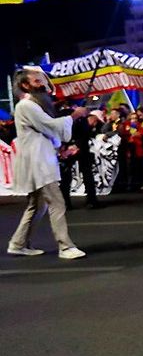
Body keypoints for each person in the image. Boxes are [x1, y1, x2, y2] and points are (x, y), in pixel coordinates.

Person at [7, 68, 89, 259]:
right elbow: (50, 126)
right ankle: (65, 246)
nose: (43, 84)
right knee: (56, 203)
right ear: (25, 85)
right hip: (38, 162)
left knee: (37, 205)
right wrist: (74, 116)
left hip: (38, 160)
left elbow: (47, 130)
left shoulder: (29, 106)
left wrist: (59, 145)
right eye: (37, 81)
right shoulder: (27, 106)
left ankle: (18, 243)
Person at [59, 108, 104, 209]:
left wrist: (65, 147)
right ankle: (91, 200)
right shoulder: (81, 121)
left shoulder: (65, 119)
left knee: (67, 175)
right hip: (78, 148)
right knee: (85, 173)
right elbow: (84, 136)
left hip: (72, 147)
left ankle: (65, 202)